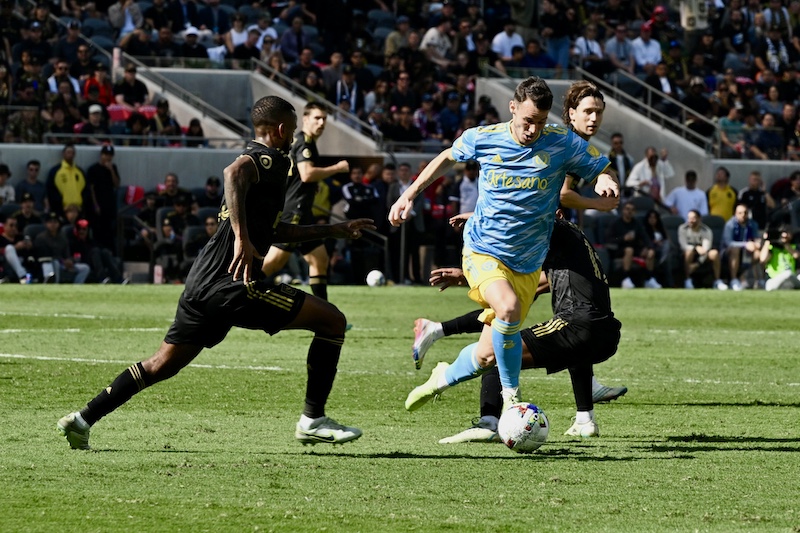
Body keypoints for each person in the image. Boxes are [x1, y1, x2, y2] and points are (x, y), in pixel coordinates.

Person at [57, 96, 375, 450]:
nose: (294, 134)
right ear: (282, 129)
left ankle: (83, 419)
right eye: (293, 128)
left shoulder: (267, 165)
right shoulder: (267, 159)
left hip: (203, 282)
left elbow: (275, 232)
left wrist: (334, 229)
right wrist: (241, 238)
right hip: (234, 285)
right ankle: (313, 419)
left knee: (161, 364)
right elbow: (233, 172)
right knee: (332, 321)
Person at [388, 76, 619, 410]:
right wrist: (408, 195)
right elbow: (447, 158)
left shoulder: (561, 142)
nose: (533, 130)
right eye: (527, 121)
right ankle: (512, 401)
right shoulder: (485, 137)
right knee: (507, 309)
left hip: (526, 262)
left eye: (540, 123)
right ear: (512, 108)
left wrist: (604, 179)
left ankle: (441, 377)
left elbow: (599, 165)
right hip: (483, 249)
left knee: (486, 355)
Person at [407, 207, 624, 442]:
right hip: (605, 334)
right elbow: (520, 294)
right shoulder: (572, 252)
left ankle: (488, 422)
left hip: (578, 324)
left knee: (502, 348)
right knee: (569, 348)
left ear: (557, 214)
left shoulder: (558, 229)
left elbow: (528, 217)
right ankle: (585, 420)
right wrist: (467, 276)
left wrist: (477, 215)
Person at [262, 102, 349, 302]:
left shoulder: (303, 142)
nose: (321, 122)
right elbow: (307, 174)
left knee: (320, 260)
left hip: (302, 211)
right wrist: (336, 168)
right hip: (295, 212)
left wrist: (310, 186)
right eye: (317, 118)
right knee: (273, 264)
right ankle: (233, 294)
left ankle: (326, 316)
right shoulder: (305, 143)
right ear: (305, 119)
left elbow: (298, 176)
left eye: (324, 119)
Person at [607, 201, 662, 289]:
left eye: (632, 210)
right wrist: (624, 238)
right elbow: (609, 240)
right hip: (619, 249)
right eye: (627, 209)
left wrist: (650, 248)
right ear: (623, 211)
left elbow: (645, 237)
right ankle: (625, 279)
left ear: (635, 212)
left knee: (650, 252)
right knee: (629, 250)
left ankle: (649, 279)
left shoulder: (636, 223)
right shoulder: (616, 223)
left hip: (635, 248)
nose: (629, 212)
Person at [33, 211, 91, 284]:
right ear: (46, 224)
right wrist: (62, 261)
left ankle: (77, 286)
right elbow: (44, 257)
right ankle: (55, 284)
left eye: (55, 222)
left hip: (63, 264)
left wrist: (70, 261)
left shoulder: (63, 237)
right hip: (49, 264)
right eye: (50, 222)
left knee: (85, 268)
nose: (53, 225)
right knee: (56, 263)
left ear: (58, 224)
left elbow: (67, 254)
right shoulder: (41, 238)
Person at [678, 209, 728, 290]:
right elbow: (683, 245)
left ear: (699, 219)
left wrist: (697, 264)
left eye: (693, 218)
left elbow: (706, 249)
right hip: (687, 254)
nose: (691, 220)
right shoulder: (683, 228)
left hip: (703, 255)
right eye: (689, 218)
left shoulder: (706, 230)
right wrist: (696, 247)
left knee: (714, 253)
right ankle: (688, 280)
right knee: (689, 251)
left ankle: (717, 281)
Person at [85, 145, 121, 252]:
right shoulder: (93, 169)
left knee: (110, 232)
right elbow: (91, 189)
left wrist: (111, 171)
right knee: (98, 231)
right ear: (101, 155)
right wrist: (95, 205)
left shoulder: (113, 168)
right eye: (106, 155)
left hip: (109, 204)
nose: (108, 158)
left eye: (110, 156)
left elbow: (117, 184)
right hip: (98, 205)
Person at [722, 203, 762, 290]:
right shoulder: (730, 224)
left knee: (758, 254)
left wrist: (756, 243)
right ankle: (734, 280)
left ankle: (758, 280)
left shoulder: (752, 224)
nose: (743, 215)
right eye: (740, 213)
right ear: (735, 214)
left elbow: (756, 238)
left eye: (745, 213)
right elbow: (728, 242)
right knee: (735, 250)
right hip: (728, 252)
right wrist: (745, 244)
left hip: (747, 251)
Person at [45, 143, 86, 218]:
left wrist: (80, 208)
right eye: (68, 152)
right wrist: (61, 207)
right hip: (61, 211)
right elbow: (51, 191)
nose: (70, 155)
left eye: (72, 153)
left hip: (78, 211)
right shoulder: (55, 171)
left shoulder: (80, 172)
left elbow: (85, 190)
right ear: (63, 154)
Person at [759, 224, 800, 290]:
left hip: (791, 280)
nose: (784, 235)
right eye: (782, 233)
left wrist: (785, 245)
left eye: (787, 233)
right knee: (787, 273)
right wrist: (767, 240)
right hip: (774, 280)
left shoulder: (793, 247)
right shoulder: (771, 248)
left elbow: (796, 255)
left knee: (791, 274)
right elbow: (763, 259)